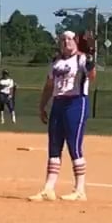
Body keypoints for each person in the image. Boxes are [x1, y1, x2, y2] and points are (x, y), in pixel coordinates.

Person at [30, 30, 96, 202]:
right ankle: (48, 189)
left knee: (74, 146)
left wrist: (90, 59)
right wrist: (42, 106)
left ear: (76, 42)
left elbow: (92, 76)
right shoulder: (56, 62)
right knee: (54, 146)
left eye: (70, 39)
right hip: (58, 103)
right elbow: (49, 85)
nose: (66, 42)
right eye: (63, 39)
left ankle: (80, 190)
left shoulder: (81, 59)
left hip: (76, 103)